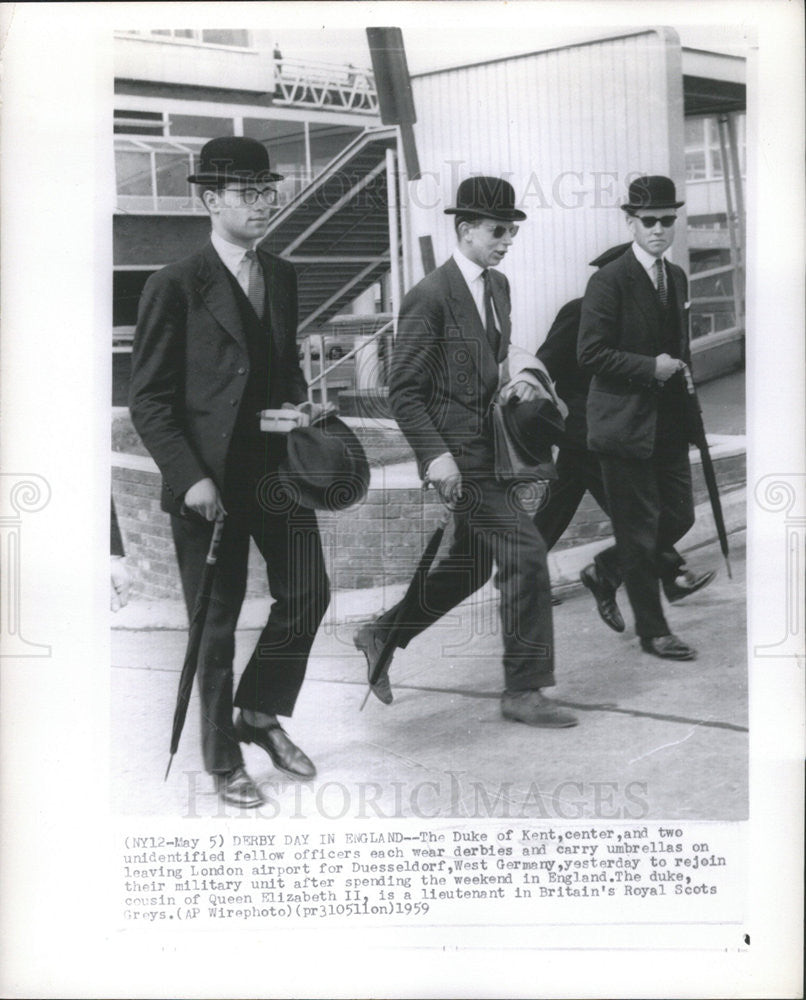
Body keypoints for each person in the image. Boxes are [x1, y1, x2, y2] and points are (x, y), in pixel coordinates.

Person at [129, 137, 330, 807]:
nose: (264, 203)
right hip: (208, 486)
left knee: (308, 591)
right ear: (210, 200)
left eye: (268, 190)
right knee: (214, 627)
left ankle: (259, 712)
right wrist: (190, 477)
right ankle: (223, 762)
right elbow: (150, 402)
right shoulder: (174, 285)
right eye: (249, 193)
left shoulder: (282, 273)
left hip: (276, 474)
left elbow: (283, 364)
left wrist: (297, 406)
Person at [354, 176, 577, 728]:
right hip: (459, 458)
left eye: (512, 230)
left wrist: (517, 380)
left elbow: (496, 359)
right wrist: (436, 457)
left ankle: (382, 632)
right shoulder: (428, 296)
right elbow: (403, 392)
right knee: (525, 553)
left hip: (495, 452)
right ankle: (523, 689)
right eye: (498, 230)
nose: (507, 240)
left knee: (470, 566)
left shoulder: (498, 287)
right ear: (466, 229)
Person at [535, 243, 715, 633]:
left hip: (611, 430)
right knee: (638, 514)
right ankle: (669, 575)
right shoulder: (578, 311)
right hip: (584, 432)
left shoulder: (636, 321)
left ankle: (521, 575)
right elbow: (544, 364)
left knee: (558, 508)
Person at [577, 175, 703, 661]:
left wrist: (690, 418)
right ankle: (654, 632)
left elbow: (683, 352)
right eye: (648, 220)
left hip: (668, 424)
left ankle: (606, 568)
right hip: (623, 424)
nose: (658, 229)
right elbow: (590, 353)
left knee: (678, 515)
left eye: (667, 220)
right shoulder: (609, 280)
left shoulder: (676, 278)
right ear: (630, 222)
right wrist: (649, 367)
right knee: (637, 529)